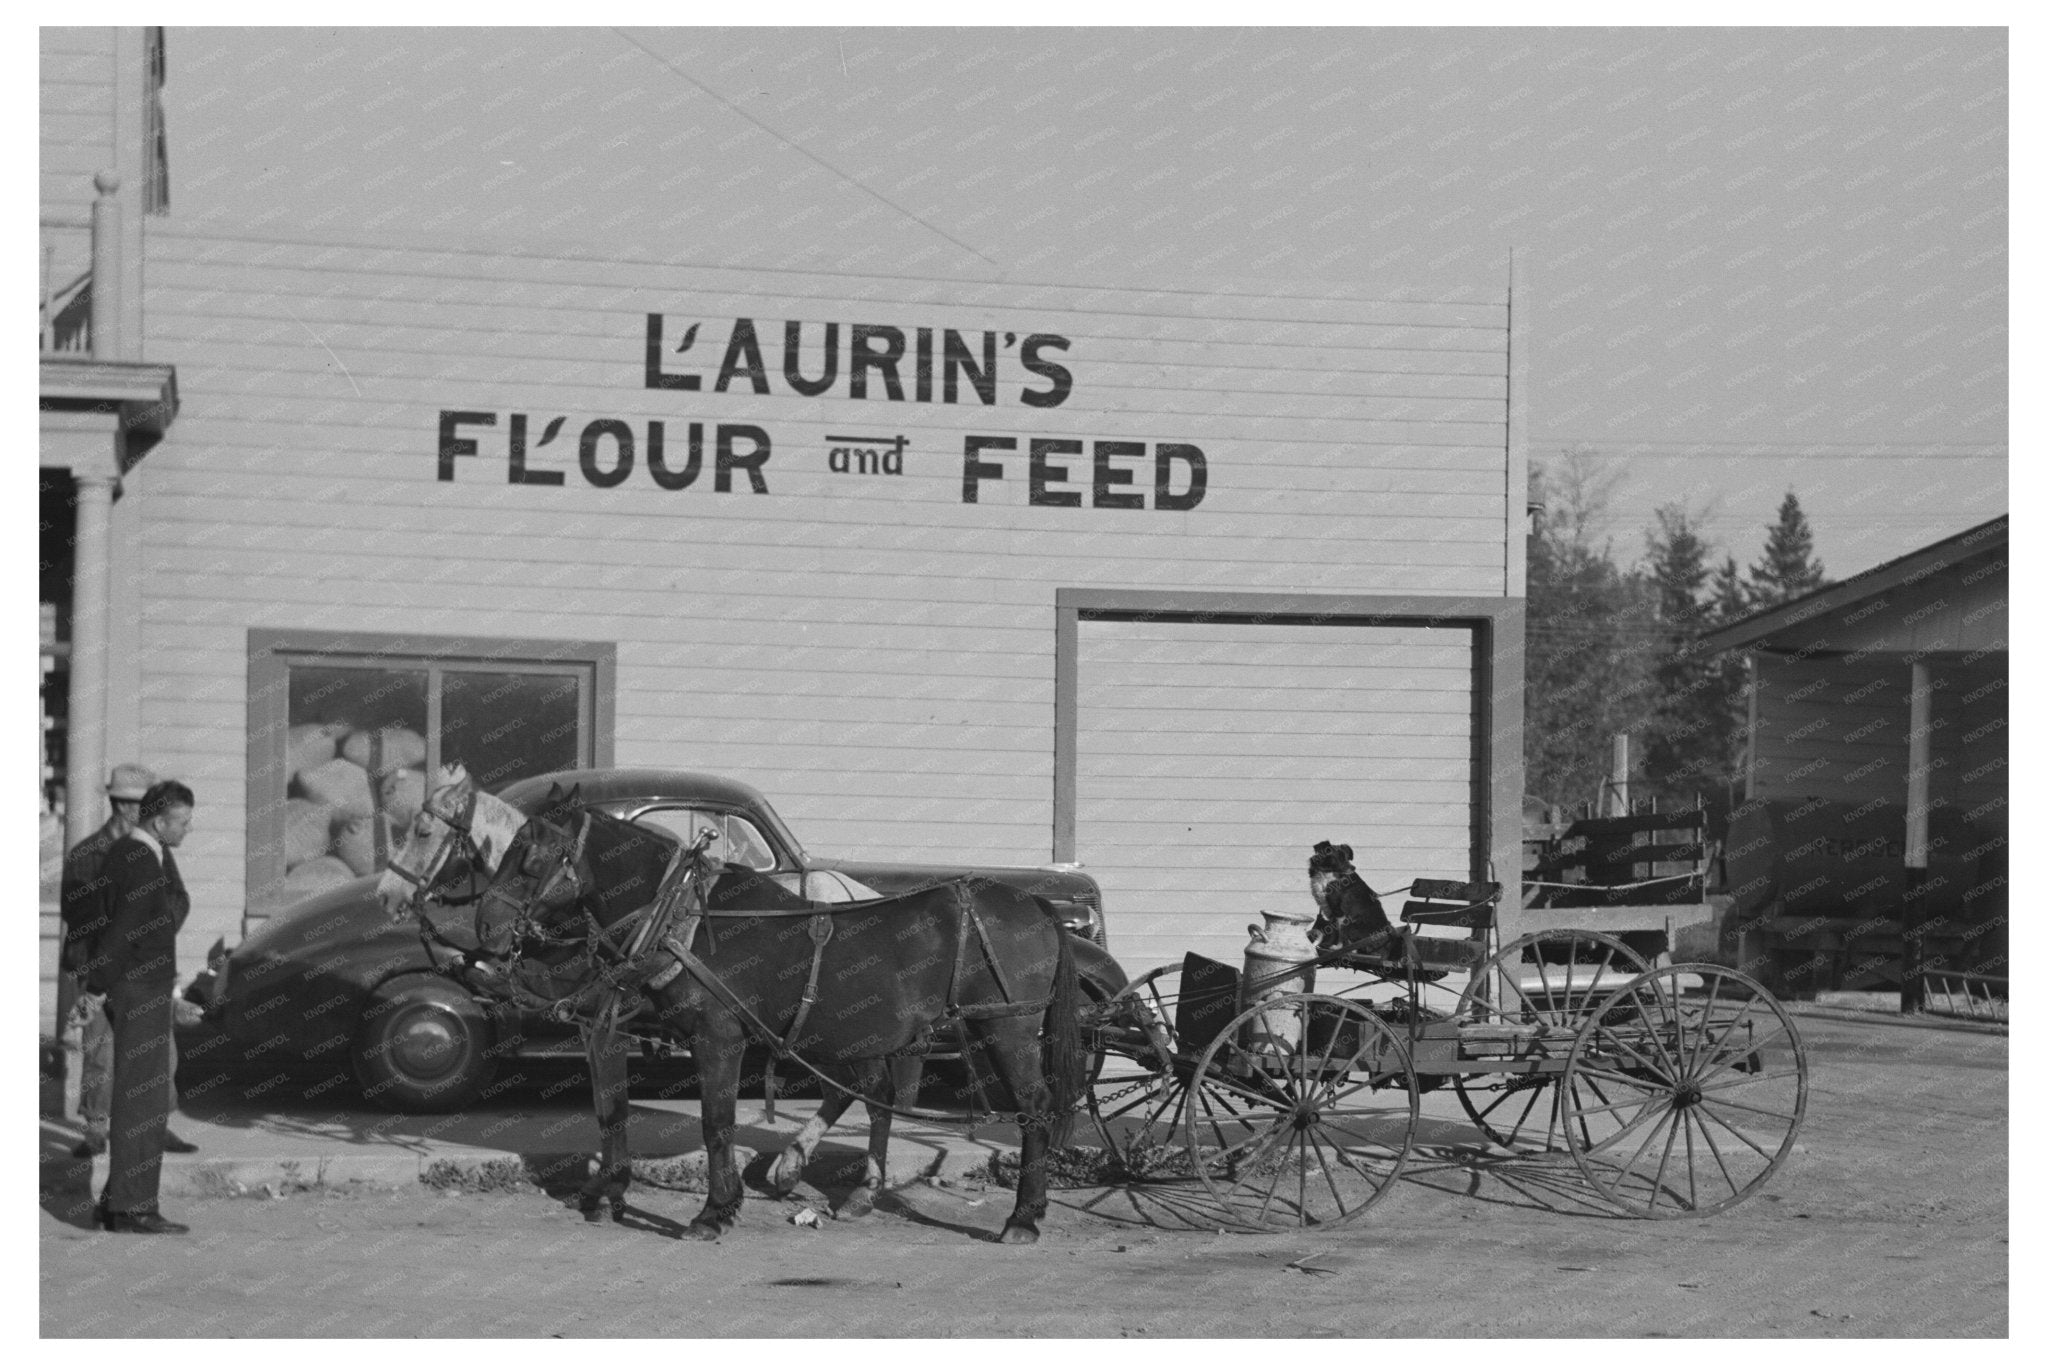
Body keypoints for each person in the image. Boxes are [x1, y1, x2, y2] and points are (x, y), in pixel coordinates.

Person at [60, 764, 197, 1160]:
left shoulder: (157, 852)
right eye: (142, 805)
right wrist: (127, 927)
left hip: (144, 973)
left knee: (161, 1054)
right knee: (101, 1053)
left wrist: (152, 928)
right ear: (123, 806)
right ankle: (95, 1130)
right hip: (100, 967)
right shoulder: (90, 854)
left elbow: (178, 899)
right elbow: (80, 912)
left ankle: (158, 1123)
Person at [82, 780, 198, 1234]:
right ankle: (133, 1209)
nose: (188, 829)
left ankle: (115, 1202)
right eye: (182, 822)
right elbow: (123, 931)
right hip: (138, 989)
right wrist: (95, 987)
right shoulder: (140, 860)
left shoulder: (135, 854)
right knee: (143, 1099)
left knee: (139, 1094)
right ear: (158, 820)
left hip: (137, 986)